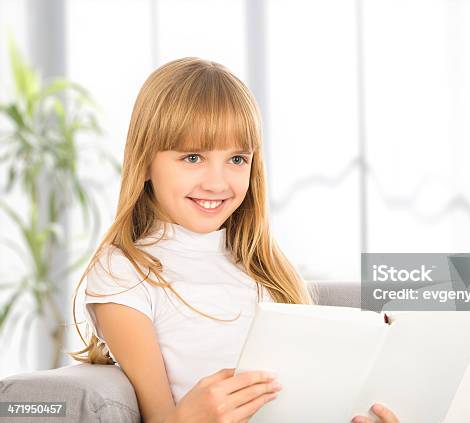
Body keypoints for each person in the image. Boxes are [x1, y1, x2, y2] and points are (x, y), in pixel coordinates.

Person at [68, 57, 399, 423]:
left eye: (237, 159)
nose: (217, 182)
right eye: (193, 157)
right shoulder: (124, 271)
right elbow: (161, 418)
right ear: (145, 161)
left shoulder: (265, 266)